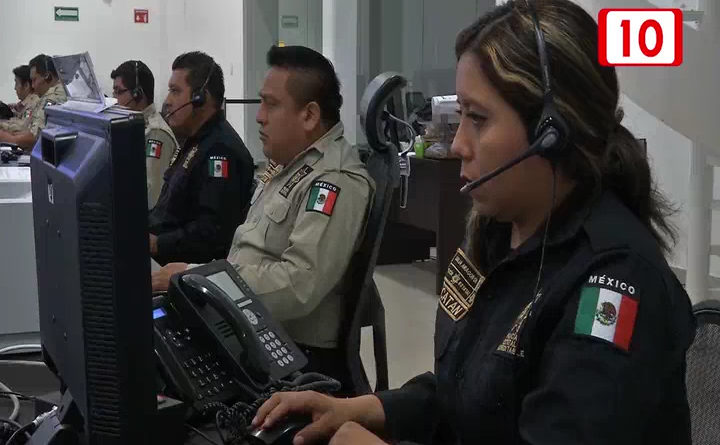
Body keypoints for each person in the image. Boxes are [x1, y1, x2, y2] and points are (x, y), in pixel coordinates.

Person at [251, 2, 696, 444]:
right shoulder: (498, 231)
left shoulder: (615, 279)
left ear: (553, 132)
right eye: (460, 114)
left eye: (478, 119)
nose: (458, 144)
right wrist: (360, 409)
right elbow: (467, 395)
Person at [152, 46, 375, 393]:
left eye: (271, 104)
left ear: (309, 115)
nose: (259, 116)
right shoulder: (291, 164)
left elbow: (299, 285)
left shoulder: (334, 180)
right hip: (249, 327)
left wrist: (197, 278)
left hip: (291, 360)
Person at [148, 52, 254, 265]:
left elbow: (211, 234)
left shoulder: (221, 151)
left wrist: (157, 244)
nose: (167, 101)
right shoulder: (196, 140)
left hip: (178, 269)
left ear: (200, 98)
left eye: (175, 91)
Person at [111, 60, 179, 208]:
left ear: (138, 94)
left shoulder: (156, 133)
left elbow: (151, 197)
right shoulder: (131, 125)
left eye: (119, 91)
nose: (114, 99)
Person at [0, 55, 67, 149]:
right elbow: (29, 130)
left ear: (47, 76)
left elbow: (35, 138)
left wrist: (7, 138)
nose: (33, 86)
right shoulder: (49, 95)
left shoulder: (53, 97)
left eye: (34, 80)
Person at [0, 65, 40, 131]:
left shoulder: (31, 106)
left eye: (16, 83)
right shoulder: (23, 105)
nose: (15, 88)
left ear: (26, 85)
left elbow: (22, 126)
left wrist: (2, 123)